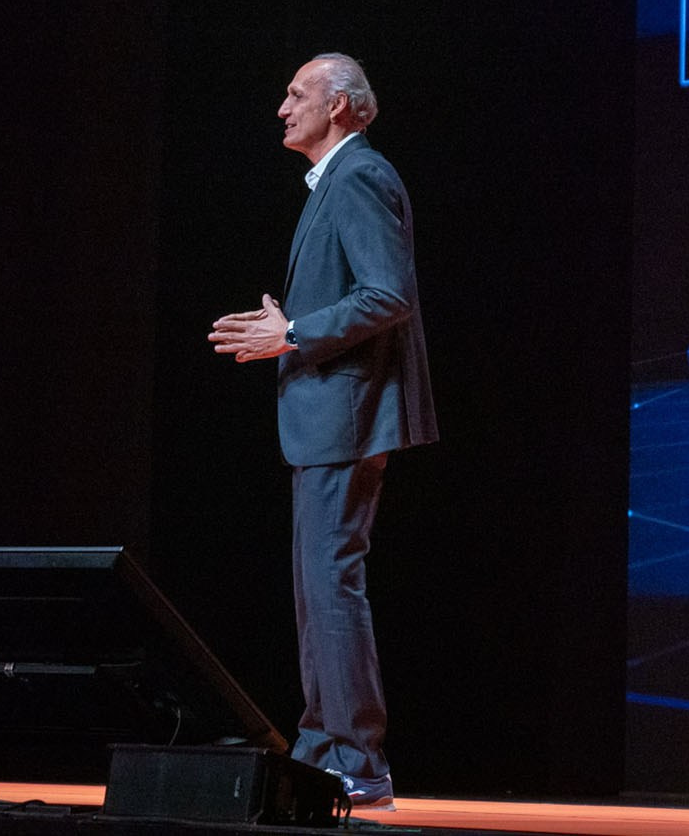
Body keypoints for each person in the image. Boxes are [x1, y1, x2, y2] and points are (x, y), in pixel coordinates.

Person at [209, 53, 438, 811]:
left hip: (348, 412)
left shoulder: (361, 176)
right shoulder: (335, 181)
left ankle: (356, 761)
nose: (283, 107)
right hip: (329, 417)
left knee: (332, 588)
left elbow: (387, 295)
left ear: (340, 105)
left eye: (297, 93)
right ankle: (323, 749)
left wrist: (294, 332)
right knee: (319, 592)